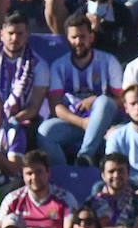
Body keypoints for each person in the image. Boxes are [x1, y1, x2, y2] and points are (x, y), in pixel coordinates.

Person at [37, 12, 124, 166]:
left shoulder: (108, 61)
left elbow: (121, 100)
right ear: (67, 39)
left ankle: (84, 157)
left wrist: (96, 100)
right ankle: (66, 174)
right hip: (75, 122)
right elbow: (55, 106)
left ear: (91, 37)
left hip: (105, 122)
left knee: (104, 101)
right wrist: (82, 123)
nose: (78, 42)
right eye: (73, 37)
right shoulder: (59, 66)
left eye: (82, 37)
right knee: (45, 132)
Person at [0, 13, 50, 137]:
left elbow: (34, 107)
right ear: (2, 35)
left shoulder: (39, 65)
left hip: (24, 120)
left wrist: (11, 121)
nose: (15, 38)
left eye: (20, 34)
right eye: (10, 33)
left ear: (26, 36)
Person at [0, 150, 78, 228]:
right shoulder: (13, 199)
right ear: (23, 175)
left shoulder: (65, 199)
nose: (34, 177)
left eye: (38, 172)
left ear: (48, 172)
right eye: (29, 173)